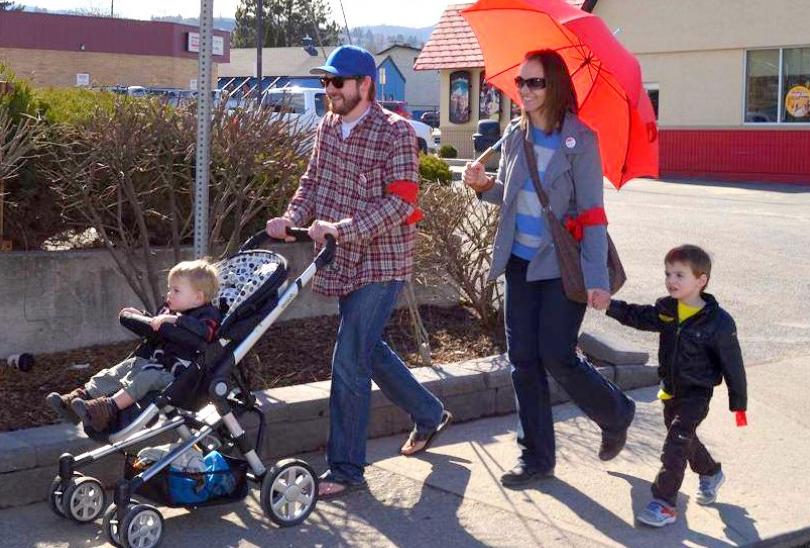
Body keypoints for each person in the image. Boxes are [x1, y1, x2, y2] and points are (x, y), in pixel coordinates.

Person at [265, 45, 451, 499]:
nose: (329, 90)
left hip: (382, 261)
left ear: (365, 85)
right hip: (341, 258)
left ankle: (346, 469)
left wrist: (342, 229)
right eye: (325, 82)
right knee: (367, 349)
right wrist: (291, 216)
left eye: (338, 82)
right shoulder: (328, 126)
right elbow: (313, 179)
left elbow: (400, 202)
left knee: (348, 358)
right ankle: (429, 414)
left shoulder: (396, 133)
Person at [463, 49, 636, 488]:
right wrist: (484, 186)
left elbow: (593, 214)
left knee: (556, 355)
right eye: (521, 82)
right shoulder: (514, 135)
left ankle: (615, 411)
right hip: (518, 262)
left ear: (555, 86)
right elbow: (508, 194)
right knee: (523, 360)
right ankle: (536, 458)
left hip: (561, 265)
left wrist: (597, 281)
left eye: (535, 82)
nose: (525, 90)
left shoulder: (581, 139)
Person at [606, 244, 748, 527]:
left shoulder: (718, 322)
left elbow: (733, 364)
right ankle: (710, 472)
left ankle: (664, 503)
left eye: (679, 275)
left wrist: (739, 405)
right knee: (684, 439)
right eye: (668, 273)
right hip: (671, 390)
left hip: (697, 393)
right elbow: (639, 316)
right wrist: (610, 305)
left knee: (675, 442)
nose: (671, 280)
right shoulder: (667, 309)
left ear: (701, 280)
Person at [46, 259, 221, 432]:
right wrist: (144, 317)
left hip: (179, 374)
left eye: (176, 290)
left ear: (198, 298)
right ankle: (83, 397)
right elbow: (156, 326)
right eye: (169, 289)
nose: (169, 294)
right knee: (122, 369)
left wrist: (174, 319)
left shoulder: (207, 315)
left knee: (145, 377)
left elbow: (206, 332)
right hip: (155, 363)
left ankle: (108, 407)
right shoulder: (171, 310)